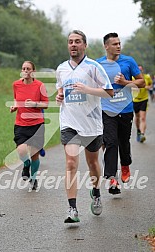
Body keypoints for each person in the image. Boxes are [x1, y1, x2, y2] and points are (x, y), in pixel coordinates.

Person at [56, 30, 113, 223]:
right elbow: (61, 90)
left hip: (91, 124)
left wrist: (87, 89)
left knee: (92, 163)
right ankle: (72, 209)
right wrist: (59, 96)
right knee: (71, 162)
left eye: (77, 41)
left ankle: (96, 192)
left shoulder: (94, 67)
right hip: (69, 123)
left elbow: (109, 92)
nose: (73, 44)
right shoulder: (61, 68)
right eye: (70, 41)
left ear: (85, 45)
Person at [96, 33, 145, 194]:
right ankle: (112, 179)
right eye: (114, 44)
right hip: (107, 110)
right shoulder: (99, 64)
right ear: (106, 46)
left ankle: (125, 165)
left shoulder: (128, 61)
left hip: (125, 110)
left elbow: (142, 82)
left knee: (124, 142)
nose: (118, 46)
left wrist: (125, 82)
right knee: (110, 142)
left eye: (119, 43)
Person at [10, 61, 49, 191]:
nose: (25, 70)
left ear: (33, 71)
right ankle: (26, 165)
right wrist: (15, 106)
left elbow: (46, 104)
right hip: (21, 123)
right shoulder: (16, 84)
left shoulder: (40, 86)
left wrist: (34, 104)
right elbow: (17, 99)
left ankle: (33, 178)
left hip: (37, 124)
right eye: (23, 68)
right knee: (21, 150)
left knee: (34, 155)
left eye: (28, 68)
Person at [133, 65, 152, 143]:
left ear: (143, 70)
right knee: (137, 118)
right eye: (138, 70)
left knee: (143, 118)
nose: (140, 71)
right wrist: (136, 87)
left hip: (144, 99)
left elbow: (150, 85)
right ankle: (138, 130)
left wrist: (148, 87)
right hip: (135, 100)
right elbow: (128, 86)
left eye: (141, 70)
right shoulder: (133, 78)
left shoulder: (147, 77)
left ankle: (142, 134)